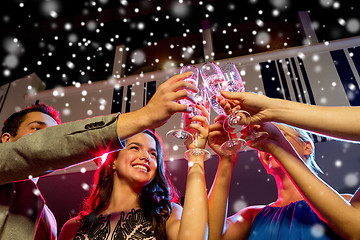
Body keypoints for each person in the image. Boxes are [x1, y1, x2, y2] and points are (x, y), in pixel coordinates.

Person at [0, 71, 197, 240]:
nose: (48, 140)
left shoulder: (46, 218)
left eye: (52, 134)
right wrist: (145, 116)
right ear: (7, 139)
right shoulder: (73, 226)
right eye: (37, 130)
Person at [58, 106, 210, 239]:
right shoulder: (73, 228)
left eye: (153, 154)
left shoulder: (167, 215)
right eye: (135, 148)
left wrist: (195, 155)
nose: (146, 157)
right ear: (113, 161)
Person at [207, 114, 359, 239]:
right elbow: (209, 234)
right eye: (261, 141)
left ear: (307, 147)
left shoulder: (345, 203)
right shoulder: (252, 215)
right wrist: (226, 159)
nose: (266, 143)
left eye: (280, 135)